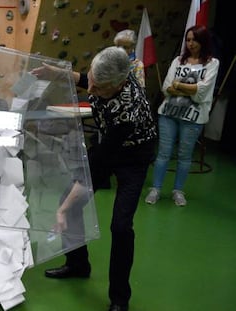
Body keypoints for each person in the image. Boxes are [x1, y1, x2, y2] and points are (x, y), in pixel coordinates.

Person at [32, 46, 157, 311]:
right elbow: (89, 80)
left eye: (99, 89)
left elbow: (99, 167)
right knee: (70, 199)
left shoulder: (126, 111)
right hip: (109, 146)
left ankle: (119, 299)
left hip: (133, 158)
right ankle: (78, 264)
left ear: (120, 83)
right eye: (93, 81)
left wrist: (63, 210)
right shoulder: (112, 73)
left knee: (121, 227)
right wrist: (57, 72)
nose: (91, 92)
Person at [145, 25, 219, 206]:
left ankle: (178, 191)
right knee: (163, 153)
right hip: (168, 113)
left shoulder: (212, 63)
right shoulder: (178, 61)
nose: (190, 43)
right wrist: (189, 88)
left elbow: (202, 92)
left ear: (203, 41)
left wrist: (178, 86)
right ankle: (156, 189)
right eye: (188, 40)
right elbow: (166, 88)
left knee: (185, 156)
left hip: (193, 117)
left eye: (194, 39)